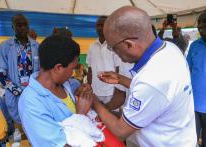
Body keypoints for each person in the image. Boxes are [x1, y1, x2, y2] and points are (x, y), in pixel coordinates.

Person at [81, 6, 196, 146]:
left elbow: (120, 130)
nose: (114, 53)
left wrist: (94, 101)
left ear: (129, 44)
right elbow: (162, 93)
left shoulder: (151, 80)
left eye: (112, 48)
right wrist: (120, 79)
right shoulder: (170, 49)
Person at [18, 35, 93, 146]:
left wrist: (83, 90)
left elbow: (75, 93)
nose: (73, 74)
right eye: (72, 68)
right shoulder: (31, 103)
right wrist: (81, 115)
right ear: (58, 68)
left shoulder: (66, 84)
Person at [0, 14, 39, 123]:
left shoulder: (36, 46)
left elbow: (41, 71)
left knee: (34, 121)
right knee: (19, 123)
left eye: (25, 25)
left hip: (33, 93)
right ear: (12, 27)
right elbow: (1, 74)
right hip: (15, 94)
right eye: (19, 25)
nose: (23, 27)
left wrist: (33, 91)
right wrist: (18, 91)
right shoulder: (4, 46)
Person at [86, 16, 121, 104]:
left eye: (103, 25)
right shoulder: (91, 46)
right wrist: (89, 86)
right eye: (98, 25)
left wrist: (118, 89)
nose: (100, 28)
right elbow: (89, 69)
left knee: (110, 114)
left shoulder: (114, 46)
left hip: (111, 91)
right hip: (95, 90)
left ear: (108, 27)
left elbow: (118, 69)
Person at [187, 11, 206, 147]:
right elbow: (187, 70)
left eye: (204, 27)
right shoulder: (194, 46)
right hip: (193, 104)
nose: (202, 31)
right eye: (200, 28)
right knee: (191, 139)